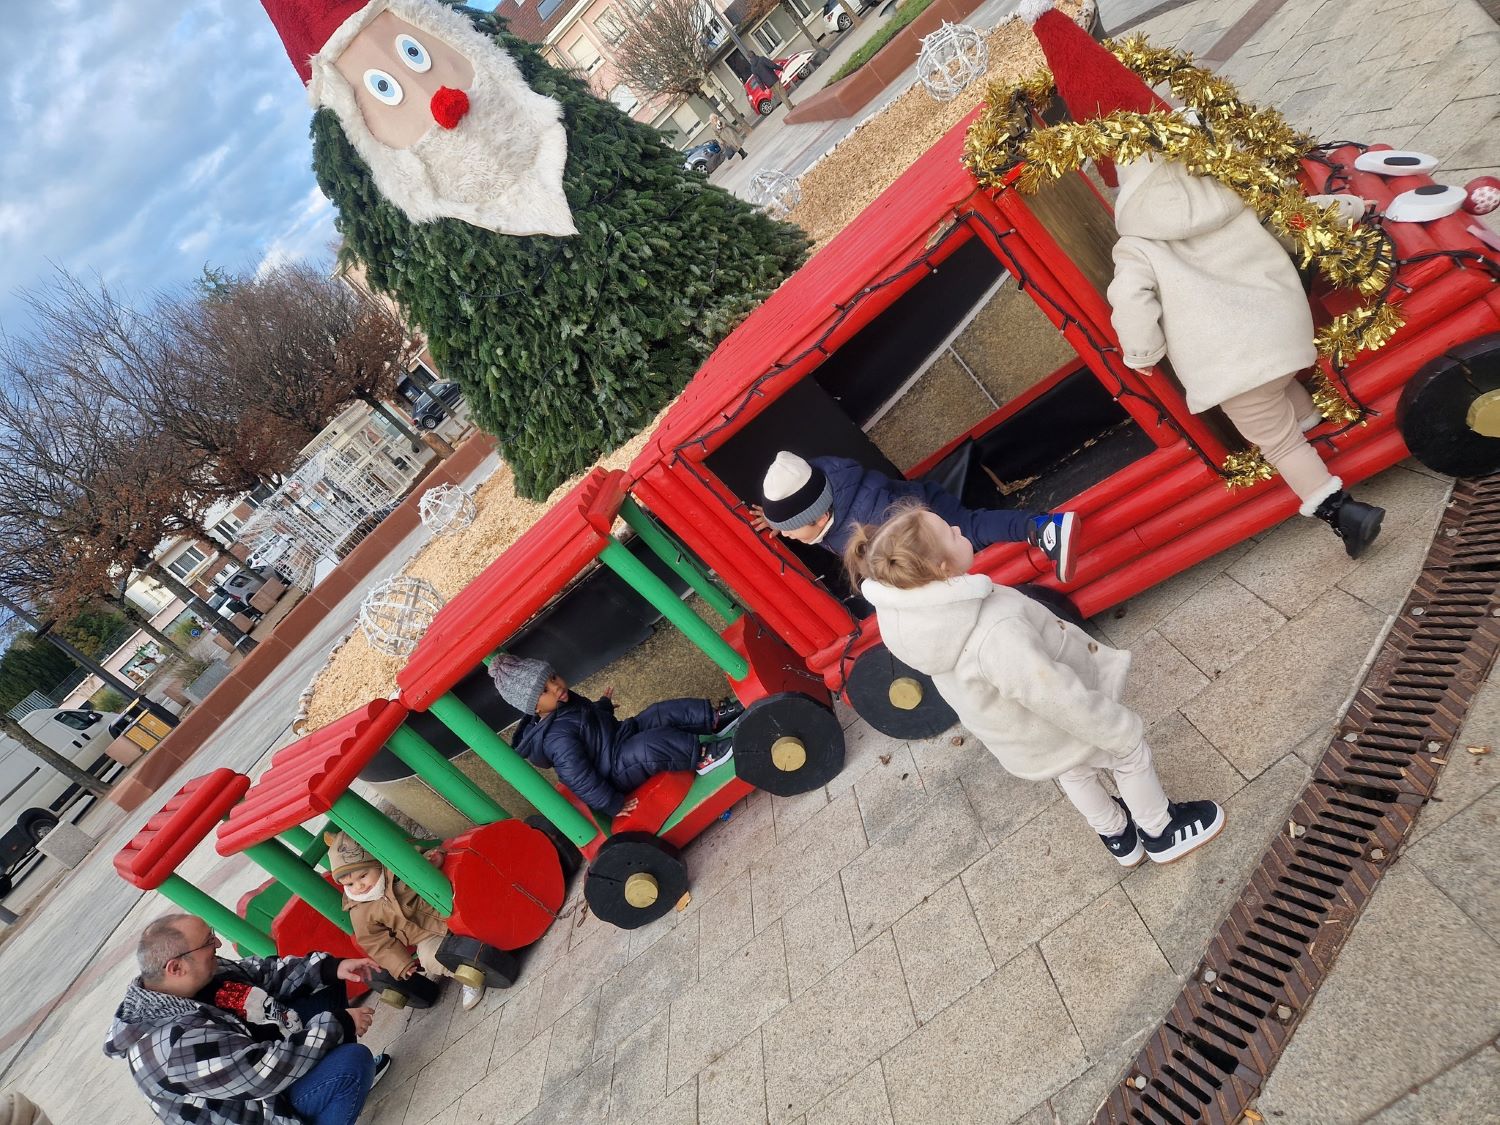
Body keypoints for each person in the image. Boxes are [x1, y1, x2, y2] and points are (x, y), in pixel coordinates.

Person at [1017, 0, 1385, 558]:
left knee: (1274, 437)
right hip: (1280, 327)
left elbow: (1132, 304)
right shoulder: (1229, 189)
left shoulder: (1137, 243)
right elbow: (1287, 217)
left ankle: (1342, 513)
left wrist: (1142, 353)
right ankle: (1333, 440)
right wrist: (1348, 210)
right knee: (1286, 388)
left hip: (1228, 365)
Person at [846, 502, 1225, 866]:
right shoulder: (992, 629)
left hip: (1027, 732)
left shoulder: (918, 621)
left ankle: (1116, 834)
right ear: (943, 568)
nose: (960, 529)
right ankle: (1162, 830)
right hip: (1057, 715)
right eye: (951, 532)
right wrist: (1112, 726)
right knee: (1127, 752)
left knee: (1073, 770)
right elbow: (1048, 691)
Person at [104, 913, 389, 1125]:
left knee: (325, 980)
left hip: (263, 1062)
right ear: (176, 967)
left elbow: (264, 972)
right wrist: (336, 1026)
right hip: (263, 1108)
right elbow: (262, 1073)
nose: (217, 942)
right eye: (207, 942)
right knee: (353, 1063)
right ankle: (337, 1085)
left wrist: (331, 968)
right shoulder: (171, 1047)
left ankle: (332, 1083)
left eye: (211, 933)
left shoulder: (197, 974)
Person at [754, 450, 1081, 583]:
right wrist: (777, 517)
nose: (784, 535)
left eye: (790, 529)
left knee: (971, 528)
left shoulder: (867, 520)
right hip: (911, 511)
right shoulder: (822, 489)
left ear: (817, 518)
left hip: (926, 515)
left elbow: (899, 561)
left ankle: (1044, 528)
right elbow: (799, 498)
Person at [490, 655, 743, 817]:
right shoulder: (556, 739)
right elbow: (579, 778)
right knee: (649, 746)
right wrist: (612, 803)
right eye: (545, 690)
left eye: (553, 677)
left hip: (619, 735)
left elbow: (590, 721)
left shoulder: (565, 702)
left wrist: (604, 705)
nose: (556, 686)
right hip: (614, 768)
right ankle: (702, 756)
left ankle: (713, 718)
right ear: (535, 707)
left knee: (658, 713)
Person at [326, 831, 485, 1013]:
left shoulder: (395, 868)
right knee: (429, 959)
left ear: (377, 863)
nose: (359, 886)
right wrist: (400, 963)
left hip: (447, 909)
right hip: (425, 935)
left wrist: (432, 860)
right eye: (350, 884)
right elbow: (375, 941)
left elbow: (418, 856)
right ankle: (470, 975)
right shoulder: (359, 911)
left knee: (473, 913)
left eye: (363, 876)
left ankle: (496, 934)